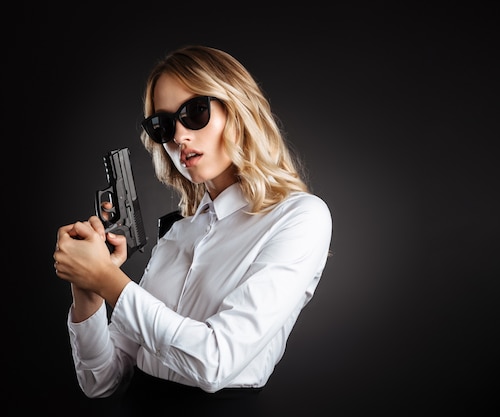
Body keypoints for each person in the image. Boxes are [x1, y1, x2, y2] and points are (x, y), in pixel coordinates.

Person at [53, 45, 332, 414]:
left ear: (238, 109)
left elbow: (215, 362)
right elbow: (100, 382)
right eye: (163, 125)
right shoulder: (177, 232)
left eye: (195, 112)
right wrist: (87, 287)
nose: (179, 136)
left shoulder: (299, 217)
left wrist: (108, 281)